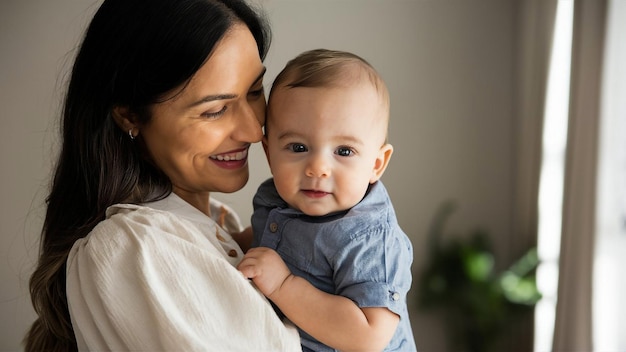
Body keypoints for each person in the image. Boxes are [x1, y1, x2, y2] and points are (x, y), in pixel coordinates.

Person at [24, 0, 302, 351]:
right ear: (130, 116)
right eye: (215, 111)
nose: (252, 130)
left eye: (255, 92)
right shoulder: (133, 247)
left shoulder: (220, 224)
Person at [237, 49, 417, 352]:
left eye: (344, 151)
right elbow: (266, 239)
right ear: (269, 153)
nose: (317, 168)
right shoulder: (274, 197)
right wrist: (228, 241)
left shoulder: (370, 239)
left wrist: (283, 286)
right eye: (297, 147)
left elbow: (368, 336)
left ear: (376, 163)